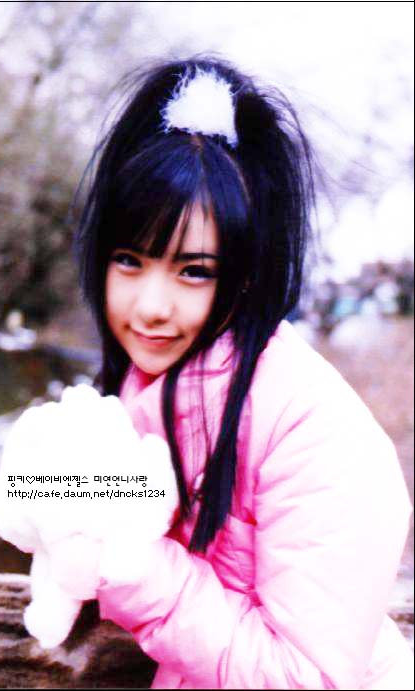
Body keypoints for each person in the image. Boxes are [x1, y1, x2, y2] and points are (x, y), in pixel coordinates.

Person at [70, 56, 413, 689]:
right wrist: (45, 490)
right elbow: (72, 508)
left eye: (193, 271)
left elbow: (309, 677)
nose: (150, 306)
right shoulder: (148, 392)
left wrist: (132, 565)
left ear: (246, 274)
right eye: (129, 261)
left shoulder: (314, 433)